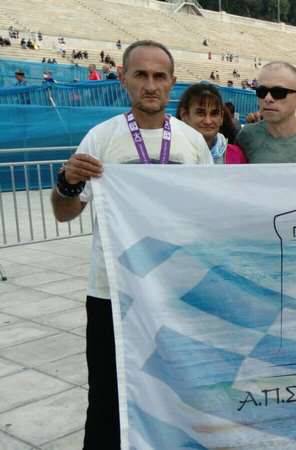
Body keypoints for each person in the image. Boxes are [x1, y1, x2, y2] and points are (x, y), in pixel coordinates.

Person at [50, 40, 213, 450]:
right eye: (141, 74)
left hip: (177, 290)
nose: (150, 85)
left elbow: (209, 216)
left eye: (159, 76)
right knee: (107, 397)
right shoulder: (101, 138)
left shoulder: (192, 143)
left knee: (180, 389)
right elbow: (64, 212)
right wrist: (67, 182)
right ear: (123, 78)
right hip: (112, 291)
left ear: (173, 82)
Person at [177, 83, 247, 164]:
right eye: (200, 113)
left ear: (221, 117)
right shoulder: (170, 152)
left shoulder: (236, 155)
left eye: (214, 114)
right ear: (184, 115)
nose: (208, 121)